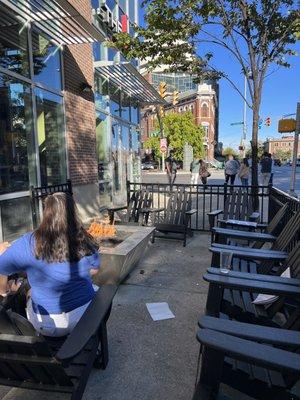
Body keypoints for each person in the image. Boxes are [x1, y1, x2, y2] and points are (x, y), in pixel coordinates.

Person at [0, 192, 100, 337]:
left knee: (29, 292)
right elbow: (94, 270)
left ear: (46, 213)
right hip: (86, 315)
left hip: (48, 325)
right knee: (94, 287)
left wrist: (4, 293)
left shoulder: (29, 241)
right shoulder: (84, 238)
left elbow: (2, 268)